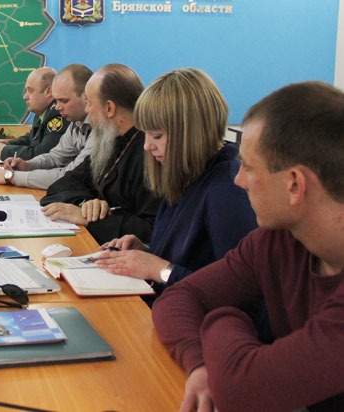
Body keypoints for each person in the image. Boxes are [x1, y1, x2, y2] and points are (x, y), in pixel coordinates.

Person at [153, 81, 344, 412]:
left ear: (294, 185)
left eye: (249, 167)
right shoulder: (278, 240)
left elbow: (241, 389)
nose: (239, 179)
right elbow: (177, 299)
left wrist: (224, 315)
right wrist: (200, 365)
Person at [93, 68, 257, 299]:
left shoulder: (228, 190)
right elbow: (193, 257)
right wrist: (148, 250)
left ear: (190, 132)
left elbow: (238, 291)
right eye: (146, 134)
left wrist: (158, 269)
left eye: (157, 136)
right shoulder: (188, 172)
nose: (147, 146)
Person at [40, 63, 160, 244]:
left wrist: (92, 219)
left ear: (109, 108)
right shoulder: (110, 142)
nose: (87, 111)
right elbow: (62, 184)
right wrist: (86, 204)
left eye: (89, 103)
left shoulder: (151, 152)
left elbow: (153, 229)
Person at [0, 63, 92, 189]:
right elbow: (55, 157)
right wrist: (28, 165)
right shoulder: (76, 122)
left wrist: (10, 177)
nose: (57, 107)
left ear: (86, 98)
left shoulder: (98, 127)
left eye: (64, 101)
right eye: (57, 100)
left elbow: (70, 176)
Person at [0, 67, 68, 161]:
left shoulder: (57, 114)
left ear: (49, 92)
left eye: (30, 91)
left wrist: (4, 151)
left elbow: (42, 154)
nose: (25, 97)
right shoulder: (43, 111)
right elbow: (33, 138)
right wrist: (8, 144)